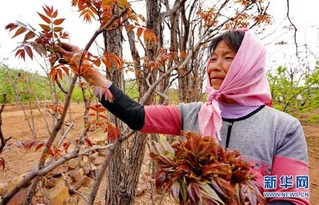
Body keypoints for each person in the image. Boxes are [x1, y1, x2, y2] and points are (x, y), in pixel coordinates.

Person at [56, 29, 310, 205]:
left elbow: (291, 197)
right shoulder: (194, 113)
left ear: (249, 65)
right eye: (212, 59)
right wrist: (85, 68)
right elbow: (136, 115)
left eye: (229, 58)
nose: (215, 66)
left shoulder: (284, 127)